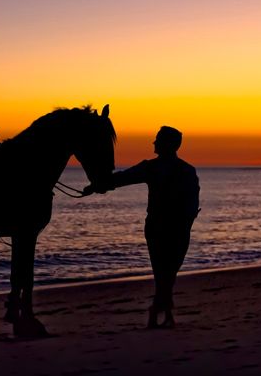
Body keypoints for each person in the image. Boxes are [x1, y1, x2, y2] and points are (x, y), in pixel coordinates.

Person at [85, 126, 199, 328]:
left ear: (166, 144)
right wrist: (98, 185)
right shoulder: (186, 170)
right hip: (177, 228)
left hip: (161, 226)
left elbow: (122, 178)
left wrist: (97, 185)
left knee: (163, 272)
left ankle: (159, 312)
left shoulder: (154, 168)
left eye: (157, 140)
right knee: (167, 272)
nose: (153, 143)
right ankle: (161, 314)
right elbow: (191, 204)